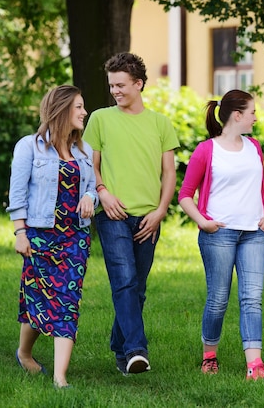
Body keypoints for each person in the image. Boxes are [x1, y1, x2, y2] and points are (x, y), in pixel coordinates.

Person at [83, 52, 179, 375]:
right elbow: (89, 166)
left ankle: (121, 350)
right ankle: (138, 350)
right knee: (124, 282)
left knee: (137, 287)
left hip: (149, 218)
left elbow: (169, 174)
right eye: (112, 85)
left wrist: (161, 211)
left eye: (121, 85)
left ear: (138, 84)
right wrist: (102, 192)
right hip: (113, 215)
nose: (115, 91)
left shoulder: (160, 123)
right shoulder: (99, 119)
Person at [178, 89, 264, 380]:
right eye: (252, 112)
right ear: (237, 115)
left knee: (252, 299)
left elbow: (261, 187)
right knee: (219, 299)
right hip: (218, 234)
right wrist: (203, 222)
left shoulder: (254, 146)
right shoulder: (206, 150)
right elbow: (185, 195)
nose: (256, 117)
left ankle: (255, 366)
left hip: (253, 234)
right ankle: (209, 356)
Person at [6, 85, 97, 388]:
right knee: (37, 301)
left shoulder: (84, 151)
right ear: (62, 110)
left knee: (67, 301)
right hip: (40, 237)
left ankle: (60, 378)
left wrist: (89, 198)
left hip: (75, 239)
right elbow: (17, 195)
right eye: (79, 107)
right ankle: (24, 352)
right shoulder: (29, 147)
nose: (84, 112)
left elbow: (92, 187)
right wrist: (20, 233)